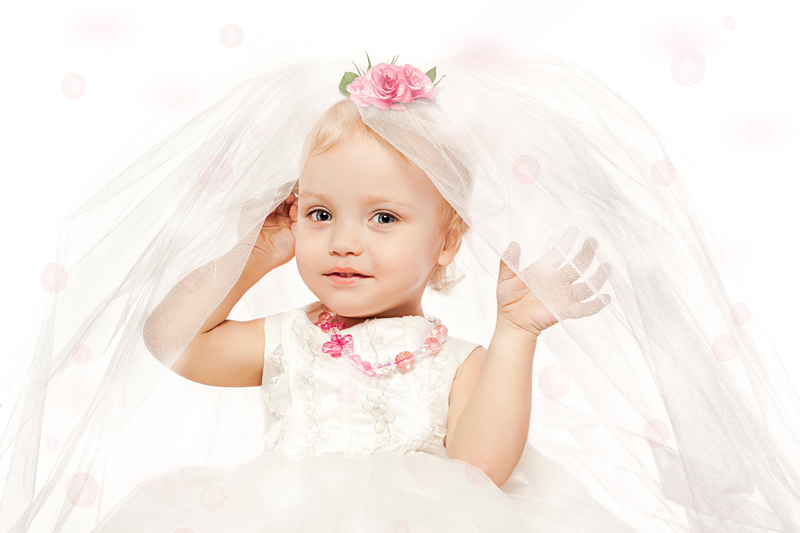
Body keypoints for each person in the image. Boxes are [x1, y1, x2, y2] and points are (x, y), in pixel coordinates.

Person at [1, 47, 799, 532]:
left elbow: (479, 465)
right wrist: (257, 254)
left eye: (384, 217)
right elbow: (173, 339)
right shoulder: (290, 339)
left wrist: (516, 331)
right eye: (320, 213)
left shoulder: (456, 360)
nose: (345, 240)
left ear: (446, 239)